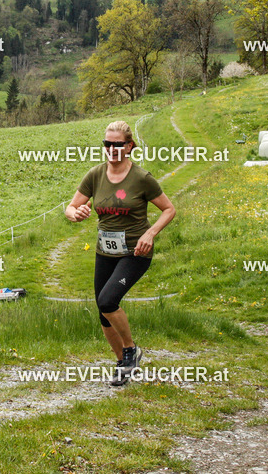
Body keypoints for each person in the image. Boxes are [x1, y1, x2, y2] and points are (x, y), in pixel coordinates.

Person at [65, 120, 176, 385]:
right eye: (107, 144)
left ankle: (131, 350)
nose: (112, 149)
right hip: (105, 251)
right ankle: (122, 365)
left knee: (107, 300)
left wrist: (151, 233)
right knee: (103, 312)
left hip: (135, 252)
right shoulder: (95, 175)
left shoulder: (142, 178)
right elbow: (71, 207)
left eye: (118, 144)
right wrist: (76, 214)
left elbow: (169, 209)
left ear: (129, 146)